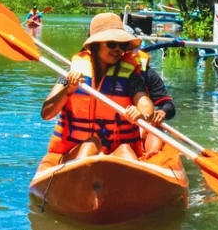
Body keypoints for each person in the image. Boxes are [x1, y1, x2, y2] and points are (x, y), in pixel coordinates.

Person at [41, 13, 154, 161]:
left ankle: (127, 180)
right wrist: (68, 90)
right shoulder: (70, 73)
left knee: (126, 150)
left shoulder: (131, 76)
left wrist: (142, 115)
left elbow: (145, 104)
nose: (118, 49)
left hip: (113, 151)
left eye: (123, 45)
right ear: (96, 44)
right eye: (112, 44)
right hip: (75, 150)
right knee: (91, 144)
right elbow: (46, 113)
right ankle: (78, 178)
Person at [126, 47, 176, 155]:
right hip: (115, 128)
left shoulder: (147, 73)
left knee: (154, 127)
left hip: (143, 125)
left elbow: (168, 105)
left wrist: (163, 112)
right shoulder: (97, 71)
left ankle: (152, 156)